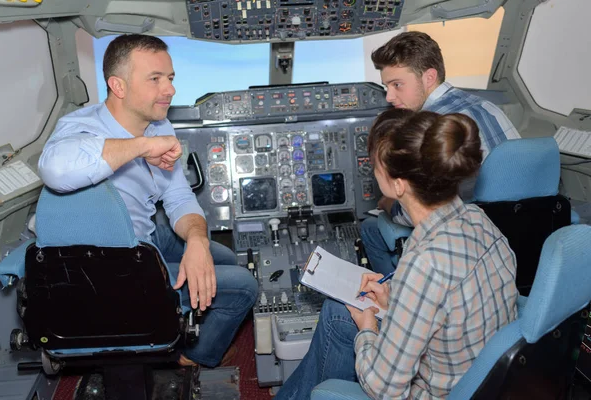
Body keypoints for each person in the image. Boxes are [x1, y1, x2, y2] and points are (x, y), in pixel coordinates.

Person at [37, 34, 258, 368]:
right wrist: (140, 146)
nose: (168, 89)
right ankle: (191, 357)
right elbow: (54, 169)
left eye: (169, 78)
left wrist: (197, 240)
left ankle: (188, 315)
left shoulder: (158, 124)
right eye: (154, 79)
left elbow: (178, 195)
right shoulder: (79, 128)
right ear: (118, 85)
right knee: (244, 286)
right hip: (112, 266)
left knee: (219, 254)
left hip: (145, 232)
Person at [275, 108, 519, 399]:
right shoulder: (479, 220)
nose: (372, 169)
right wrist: (394, 300)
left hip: (438, 392)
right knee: (336, 312)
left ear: (399, 184)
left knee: (343, 318)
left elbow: (384, 388)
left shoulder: (423, 265)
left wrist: (367, 329)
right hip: (483, 379)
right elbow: (451, 302)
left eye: (376, 165)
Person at [361, 31, 521, 275]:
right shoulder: (488, 107)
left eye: (397, 85)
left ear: (429, 77)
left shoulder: (430, 129)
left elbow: (417, 210)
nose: (390, 97)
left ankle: (393, 298)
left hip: (466, 242)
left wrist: (389, 204)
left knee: (370, 227)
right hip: (522, 232)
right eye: (386, 86)